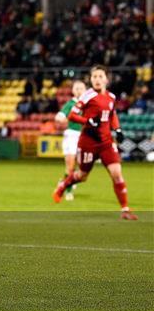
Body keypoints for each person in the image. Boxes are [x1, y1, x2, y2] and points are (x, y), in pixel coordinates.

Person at [52, 66, 137, 220]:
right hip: (88, 142)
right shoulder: (86, 96)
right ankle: (63, 185)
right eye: (94, 77)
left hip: (106, 142)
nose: (97, 79)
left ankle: (125, 209)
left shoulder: (111, 97)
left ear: (106, 79)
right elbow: (72, 115)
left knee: (117, 174)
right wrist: (88, 121)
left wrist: (117, 130)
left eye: (100, 76)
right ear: (91, 80)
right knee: (83, 175)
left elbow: (112, 115)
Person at [54, 80, 86, 201]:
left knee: (82, 166)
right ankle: (68, 191)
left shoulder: (87, 104)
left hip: (83, 137)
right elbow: (59, 116)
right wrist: (62, 119)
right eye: (76, 88)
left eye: (81, 88)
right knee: (70, 166)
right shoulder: (70, 104)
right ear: (73, 91)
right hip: (71, 136)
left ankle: (64, 182)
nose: (79, 90)